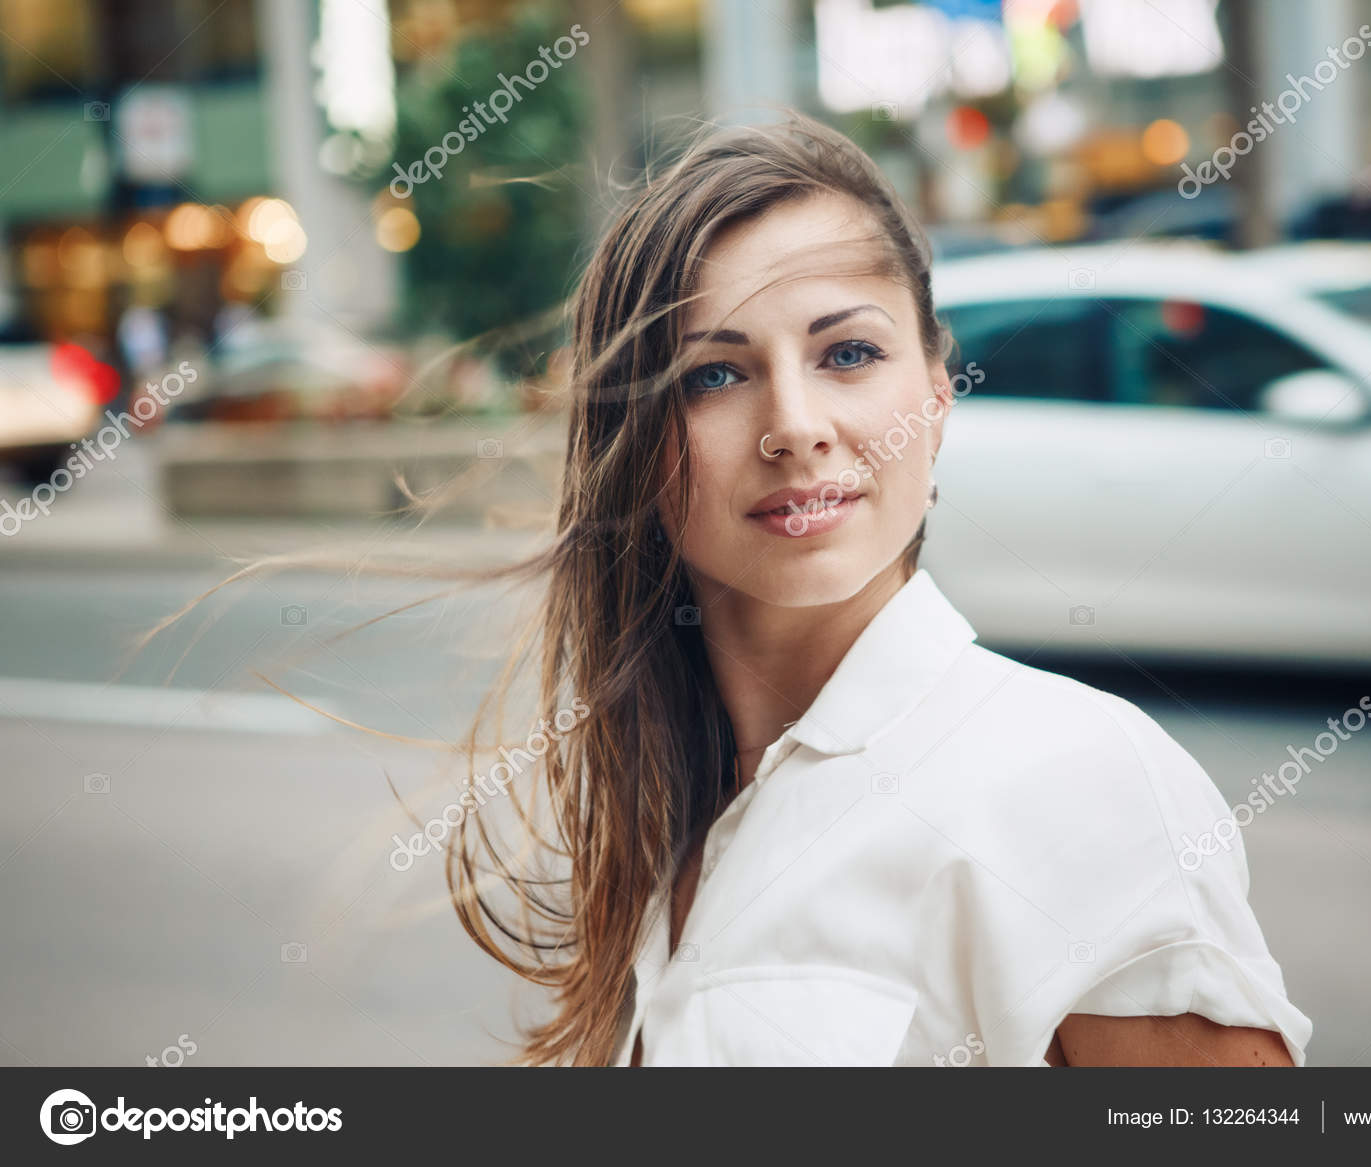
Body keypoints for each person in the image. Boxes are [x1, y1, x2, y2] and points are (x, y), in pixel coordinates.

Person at [445, 112, 1312, 1067]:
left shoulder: (1079, 779)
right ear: (632, 444)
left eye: (848, 354)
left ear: (936, 397)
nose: (794, 425)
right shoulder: (670, 824)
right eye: (715, 374)